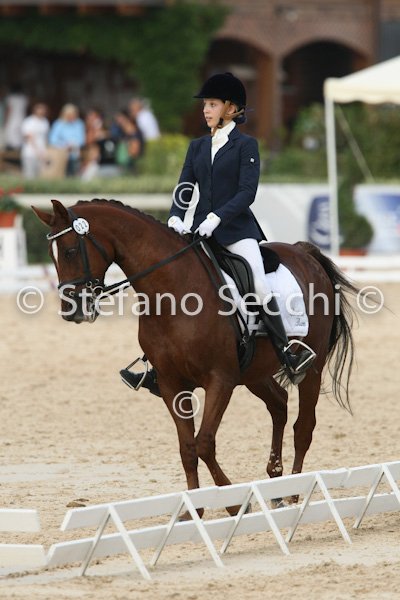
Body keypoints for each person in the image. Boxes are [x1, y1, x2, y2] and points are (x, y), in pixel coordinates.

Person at [120, 72, 315, 395]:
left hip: (237, 231)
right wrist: (176, 216)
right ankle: (157, 363)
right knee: (171, 282)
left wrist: (217, 217)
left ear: (231, 108)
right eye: (205, 105)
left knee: (258, 283)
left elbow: (247, 192)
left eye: (212, 104)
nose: (206, 110)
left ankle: (286, 352)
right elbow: (185, 187)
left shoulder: (246, 145)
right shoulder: (197, 147)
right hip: (199, 230)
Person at [49, 103, 85, 176]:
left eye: (73, 115)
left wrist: (73, 144)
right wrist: (64, 145)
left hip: (75, 153)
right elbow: (52, 140)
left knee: (74, 174)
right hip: (61, 154)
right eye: (69, 115)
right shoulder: (58, 124)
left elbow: (81, 140)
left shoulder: (79, 124)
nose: (71, 117)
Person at [21, 102, 49, 179]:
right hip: (30, 152)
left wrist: (44, 151)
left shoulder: (45, 122)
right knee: (29, 175)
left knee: (39, 176)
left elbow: (45, 138)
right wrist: (37, 151)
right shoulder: (29, 121)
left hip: (42, 152)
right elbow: (29, 137)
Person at [3, 83, 28, 150]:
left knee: (10, 133)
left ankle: (12, 148)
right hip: (21, 118)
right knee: (19, 133)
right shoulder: (24, 98)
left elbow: (9, 110)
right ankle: (18, 147)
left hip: (12, 118)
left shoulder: (10, 98)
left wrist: (5, 120)